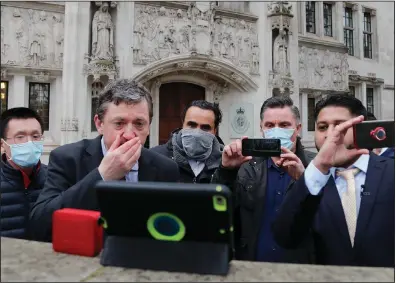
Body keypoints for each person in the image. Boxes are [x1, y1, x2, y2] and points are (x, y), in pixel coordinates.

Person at [30, 79, 180, 242]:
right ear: (99, 124)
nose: (129, 134)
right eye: (119, 124)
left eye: (139, 124)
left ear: (149, 126)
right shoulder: (67, 158)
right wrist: (101, 176)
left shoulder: (166, 168)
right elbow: (40, 225)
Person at [273, 94, 395, 267]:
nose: (331, 134)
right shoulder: (310, 181)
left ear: (360, 129)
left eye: (340, 126)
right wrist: (319, 167)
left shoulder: (391, 171)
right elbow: (285, 237)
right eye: (323, 127)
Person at [211, 96, 315, 263]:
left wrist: (305, 180)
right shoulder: (246, 166)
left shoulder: (315, 166)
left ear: (298, 128)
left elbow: (325, 218)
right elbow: (221, 213)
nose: (276, 130)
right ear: (262, 128)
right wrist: (226, 172)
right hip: (253, 265)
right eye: (269, 125)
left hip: (300, 268)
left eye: (284, 125)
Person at [0, 107, 47, 240]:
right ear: (2, 144)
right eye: (20, 137)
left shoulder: (55, 179)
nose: (29, 142)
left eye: (35, 136)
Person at [150, 100, 224, 183]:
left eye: (205, 128)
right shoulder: (155, 158)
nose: (197, 133)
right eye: (192, 125)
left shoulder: (225, 162)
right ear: (183, 124)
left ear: (214, 131)